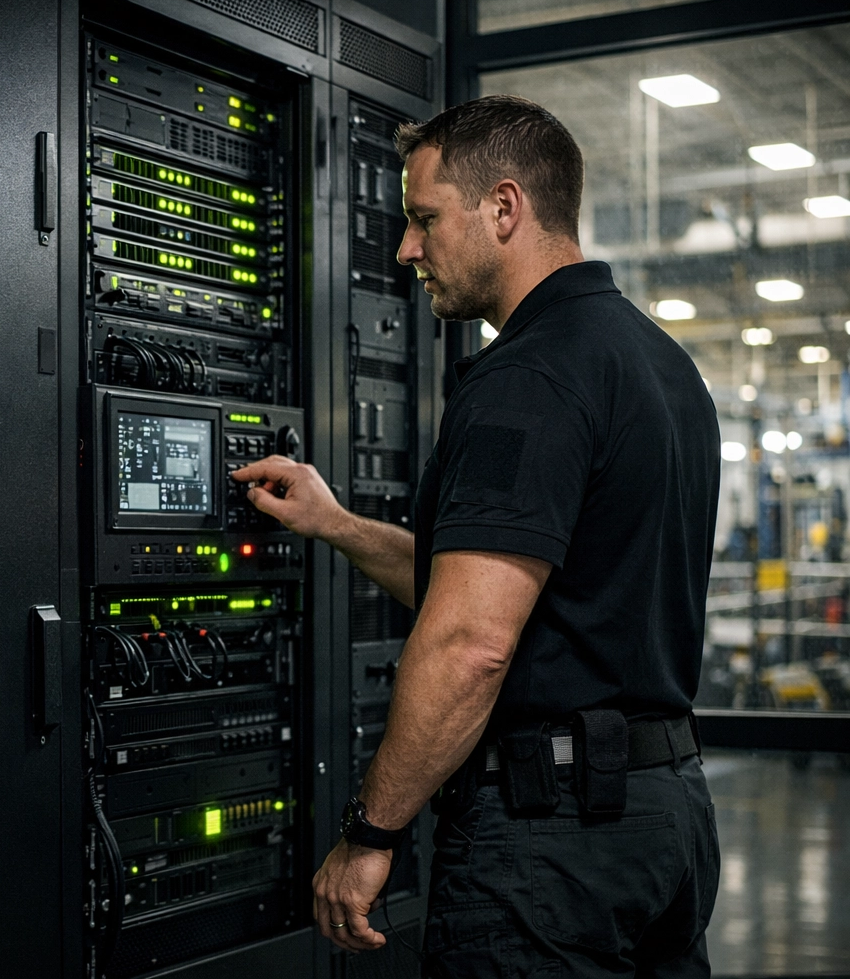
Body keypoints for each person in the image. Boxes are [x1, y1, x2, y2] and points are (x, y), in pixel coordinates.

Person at [232, 95, 721, 977]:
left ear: (504, 207)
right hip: (664, 820)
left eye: (423, 219)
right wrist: (335, 524)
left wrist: (371, 831)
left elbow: (470, 643)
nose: (407, 249)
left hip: (550, 843)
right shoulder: (659, 363)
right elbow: (523, 593)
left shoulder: (529, 374)